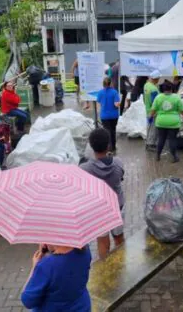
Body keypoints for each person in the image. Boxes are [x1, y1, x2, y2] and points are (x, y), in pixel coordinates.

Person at [80, 128, 125, 259]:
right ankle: (121, 265)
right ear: (108, 145)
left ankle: (105, 270)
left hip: (99, 211)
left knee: (102, 242)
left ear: (92, 147)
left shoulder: (85, 169)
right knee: (119, 238)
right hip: (117, 207)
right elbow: (121, 176)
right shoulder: (118, 163)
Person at [21, 244, 91, 311]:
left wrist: (34, 267)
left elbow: (28, 301)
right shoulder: (84, 249)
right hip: (81, 307)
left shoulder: (46, 265)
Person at [149, 81, 183, 163]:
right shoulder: (176, 97)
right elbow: (182, 110)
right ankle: (174, 157)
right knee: (172, 139)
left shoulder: (158, 97)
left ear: (163, 89)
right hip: (173, 122)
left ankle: (157, 156)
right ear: (171, 88)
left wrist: (150, 117)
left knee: (161, 139)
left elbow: (153, 109)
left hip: (161, 122)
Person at [96, 78, 120, 152]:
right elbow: (117, 104)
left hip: (104, 116)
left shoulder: (100, 92)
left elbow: (98, 103)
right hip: (114, 115)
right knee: (113, 130)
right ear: (110, 83)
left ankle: (108, 148)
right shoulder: (114, 92)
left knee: (107, 131)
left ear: (103, 84)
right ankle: (113, 146)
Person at [144, 71, 161, 150]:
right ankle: (150, 144)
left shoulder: (146, 85)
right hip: (153, 112)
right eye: (158, 78)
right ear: (155, 78)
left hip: (147, 109)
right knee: (153, 128)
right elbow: (154, 102)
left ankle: (148, 143)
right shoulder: (153, 89)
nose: (158, 80)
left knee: (149, 127)